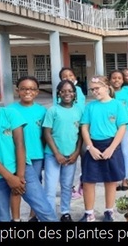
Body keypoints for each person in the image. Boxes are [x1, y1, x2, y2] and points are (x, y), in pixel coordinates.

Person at [0, 78, 57, 222]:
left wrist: (19, 176)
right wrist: (10, 178)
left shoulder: (10, 114)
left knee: (44, 210)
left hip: (23, 170)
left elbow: (20, 144)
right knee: (1, 216)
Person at [79, 75, 128, 222]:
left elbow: (121, 127)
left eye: (97, 88)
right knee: (88, 181)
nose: (95, 92)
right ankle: (89, 213)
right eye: (92, 89)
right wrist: (90, 147)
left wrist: (112, 148)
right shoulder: (90, 107)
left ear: (107, 88)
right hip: (94, 145)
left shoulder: (117, 105)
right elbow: (84, 127)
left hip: (111, 145)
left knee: (110, 180)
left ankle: (109, 211)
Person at [8, 76, 47, 222]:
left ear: (37, 92)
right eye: (23, 89)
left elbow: (45, 135)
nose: (27, 92)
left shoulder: (42, 111)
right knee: (17, 187)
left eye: (31, 89)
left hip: (36, 155)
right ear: (18, 91)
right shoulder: (10, 110)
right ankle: (16, 219)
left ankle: (33, 216)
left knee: (35, 187)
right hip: (15, 157)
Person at [43, 80, 83, 222]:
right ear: (59, 93)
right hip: (52, 155)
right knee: (50, 187)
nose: (67, 93)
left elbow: (81, 134)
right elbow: (47, 133)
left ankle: (65, 212)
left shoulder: (79, 111)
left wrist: (76, 153)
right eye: (63, 91)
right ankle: (49, 216)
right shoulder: (53, 110)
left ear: (74, 93)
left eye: (70, 91)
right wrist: (57, 154)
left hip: (71, 156)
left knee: (67, 186)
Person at [58, 67, 86, 200]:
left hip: (81, 127)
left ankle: (83, 184)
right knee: (67, 161)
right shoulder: (60, 93)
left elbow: (82, 108)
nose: (68, 77)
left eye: (70, 75)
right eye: (64, 76)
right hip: (68, 130)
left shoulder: (79, 91)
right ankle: (68, 187)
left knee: (84, 157)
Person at [109, 69, 128, 191]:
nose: (116, 80)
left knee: (125, 152)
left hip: (124, 126)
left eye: (119, 78)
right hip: (110, 128)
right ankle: (114, 179)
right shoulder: (108, 93)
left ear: (123, 80)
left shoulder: (127, 93)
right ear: (110, 80)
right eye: (114, 78)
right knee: (112, 152)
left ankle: (124, 179)